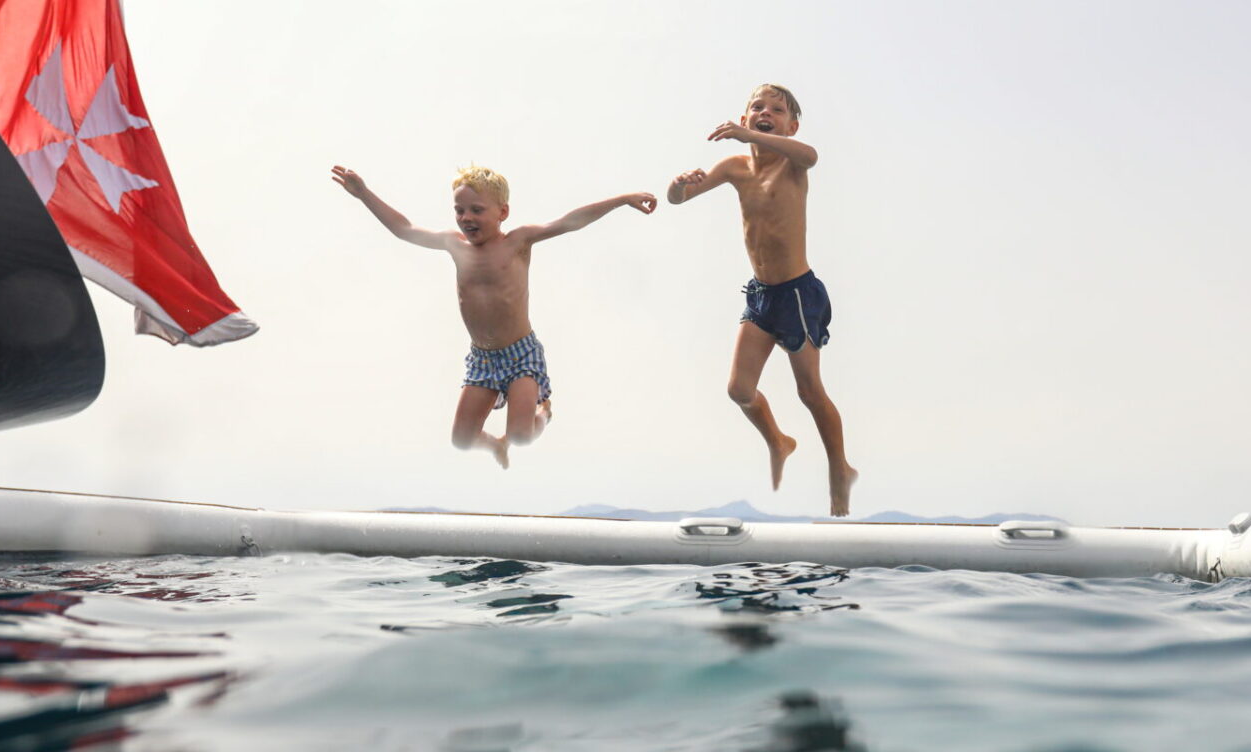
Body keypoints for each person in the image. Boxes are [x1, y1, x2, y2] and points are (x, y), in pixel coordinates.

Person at [332, 163, 656, 468]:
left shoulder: (518, 241)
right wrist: (364, 194)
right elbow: (404, 229)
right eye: (459, 210)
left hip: (520, 354)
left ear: (503, 212)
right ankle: (495, 446)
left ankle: (544, 412)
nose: (466, 217)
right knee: (461, 439)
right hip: (482, 359)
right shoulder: (454, 245)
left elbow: (569, 221)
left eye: (477, 210)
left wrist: (621, 200)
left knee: (521, 434)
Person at [667, 84, 857, 516]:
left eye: (777, 110)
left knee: (809, 392)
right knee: (739, 389)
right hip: (761, 295)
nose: (765, 112)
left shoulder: (793, 162)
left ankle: (839, 471)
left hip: (797, 295)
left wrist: (753, 136)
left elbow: (811, 156)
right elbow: (679, 200)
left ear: (791, 126)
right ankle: (779, 441)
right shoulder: (735, 167)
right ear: (743, 114)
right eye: (758, 107)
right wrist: (678, 186)